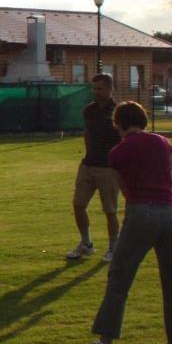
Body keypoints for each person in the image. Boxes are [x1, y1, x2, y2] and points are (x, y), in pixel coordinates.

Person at [75, 101, 172, 344]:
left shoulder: (118, 152)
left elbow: (125, 190)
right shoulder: (163, 143)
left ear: (120, 124)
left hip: (141, 214)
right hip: (170, 214)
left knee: (120, 278)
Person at [67, 73, 121, 262]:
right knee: (78, 204)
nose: (96, 92)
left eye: (100, 89)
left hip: (109, 168)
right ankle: (86, 243)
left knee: (110, 210)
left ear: (110, 89)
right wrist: (89, 154)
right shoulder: (89, 110)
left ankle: (114, 247)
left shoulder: (118, 111)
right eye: (94, 88)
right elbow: (87, 134)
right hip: (88, 165)